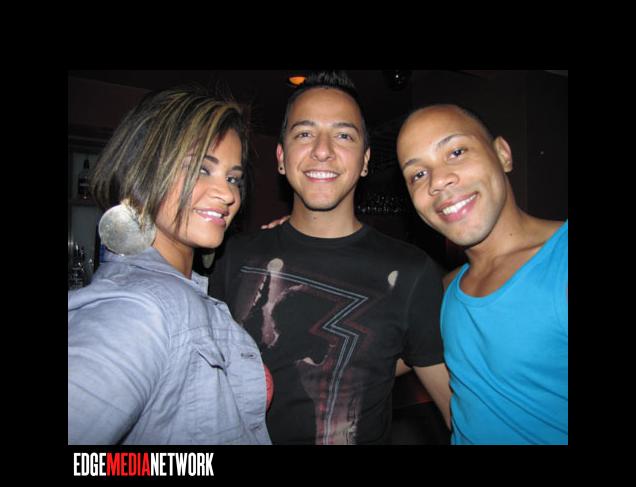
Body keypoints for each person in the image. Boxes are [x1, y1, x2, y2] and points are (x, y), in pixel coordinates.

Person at [209, 71, 451, 445]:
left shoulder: (411, 272)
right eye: (304, 134)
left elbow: (462, 415)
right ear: (281, 157)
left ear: (366, 160)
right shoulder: (230, 256)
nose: (322, 150)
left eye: (343, 136)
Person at [68, 85, 272, 445]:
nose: (228, 194)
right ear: (143, 173)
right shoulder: (137, 311)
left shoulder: (182, 289)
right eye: (201, 169)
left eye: (233, 178)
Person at [396, 104, 568, 444]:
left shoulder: (561, 262)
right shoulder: (446, 291)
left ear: (503, 154)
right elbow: (367, 355)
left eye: (456, 152)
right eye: (418, 174)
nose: (438, 181)